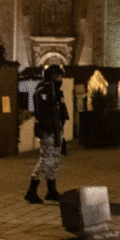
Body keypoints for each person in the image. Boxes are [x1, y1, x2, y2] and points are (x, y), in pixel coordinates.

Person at [25, 64, 69, 204]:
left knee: (54, 160)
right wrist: (50, 130)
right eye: (58, 76)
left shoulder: (56, 92)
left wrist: (60, 131)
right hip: (48, 130)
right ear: (51, 77)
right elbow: (42, 114)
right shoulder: (43, 91)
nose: (60, 79)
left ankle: (51, 190)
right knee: (46, 160)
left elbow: (62, 111)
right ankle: (31, 191)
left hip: (56, 130)